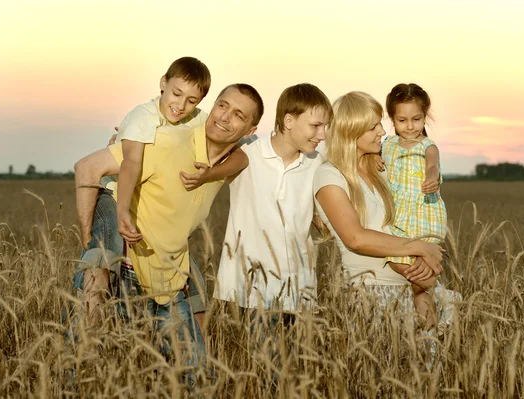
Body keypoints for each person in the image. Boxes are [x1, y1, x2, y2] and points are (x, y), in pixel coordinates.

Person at [72, 84, 264, 376]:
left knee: (197, 381)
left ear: (251, 129)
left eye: (238, 115)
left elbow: (256, 156)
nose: (224, 117)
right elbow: (87, 167)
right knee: (85, 371)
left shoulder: (233, 162)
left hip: (170, 285)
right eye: (222, 105)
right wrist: (90, 242)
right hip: (124, 272)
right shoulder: (165, 141)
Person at [76, 57, 247, 328]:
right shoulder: (143, 118)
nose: (181, 106)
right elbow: (131, 163)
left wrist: (211, 173)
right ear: (163, 84)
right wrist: (107, 220)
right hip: (112, 195)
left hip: (158, 220)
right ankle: (85, 332)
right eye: (177, 94)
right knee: (101, 257)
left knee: (190, 283)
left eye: (191, 100)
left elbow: (241, 153)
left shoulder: (197, 119)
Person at [313, 91, 444, 315]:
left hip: (413, 289)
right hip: (372, 296)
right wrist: (420, 247)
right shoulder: (329, 176)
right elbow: (355, 238)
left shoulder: (381, 169)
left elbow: (414, 214)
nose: (382, 132)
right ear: (351, 130)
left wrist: (422, 260)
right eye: (373, 127)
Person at [215, 83, 332, 327]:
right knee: (256, 361)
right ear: (289, 121)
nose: (322, 135)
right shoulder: (247, 151)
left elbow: (320, 216)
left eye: (324, 127)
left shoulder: (317, 163)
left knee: (292, 363)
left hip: (298, 291)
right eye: (315, 126)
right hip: (248, 289)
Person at [381, 83, 447, 333]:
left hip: (423, 214)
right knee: (402, 264)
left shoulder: (427, 146)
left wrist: (432, 177)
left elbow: (432, 165)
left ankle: (430, 338)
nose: (410, 126)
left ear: (425, 117)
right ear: (392, 120)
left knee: (422, 283)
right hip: (398, 215)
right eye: (402, 120)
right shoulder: (387, 145)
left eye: (416, 119)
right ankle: (431, 294)